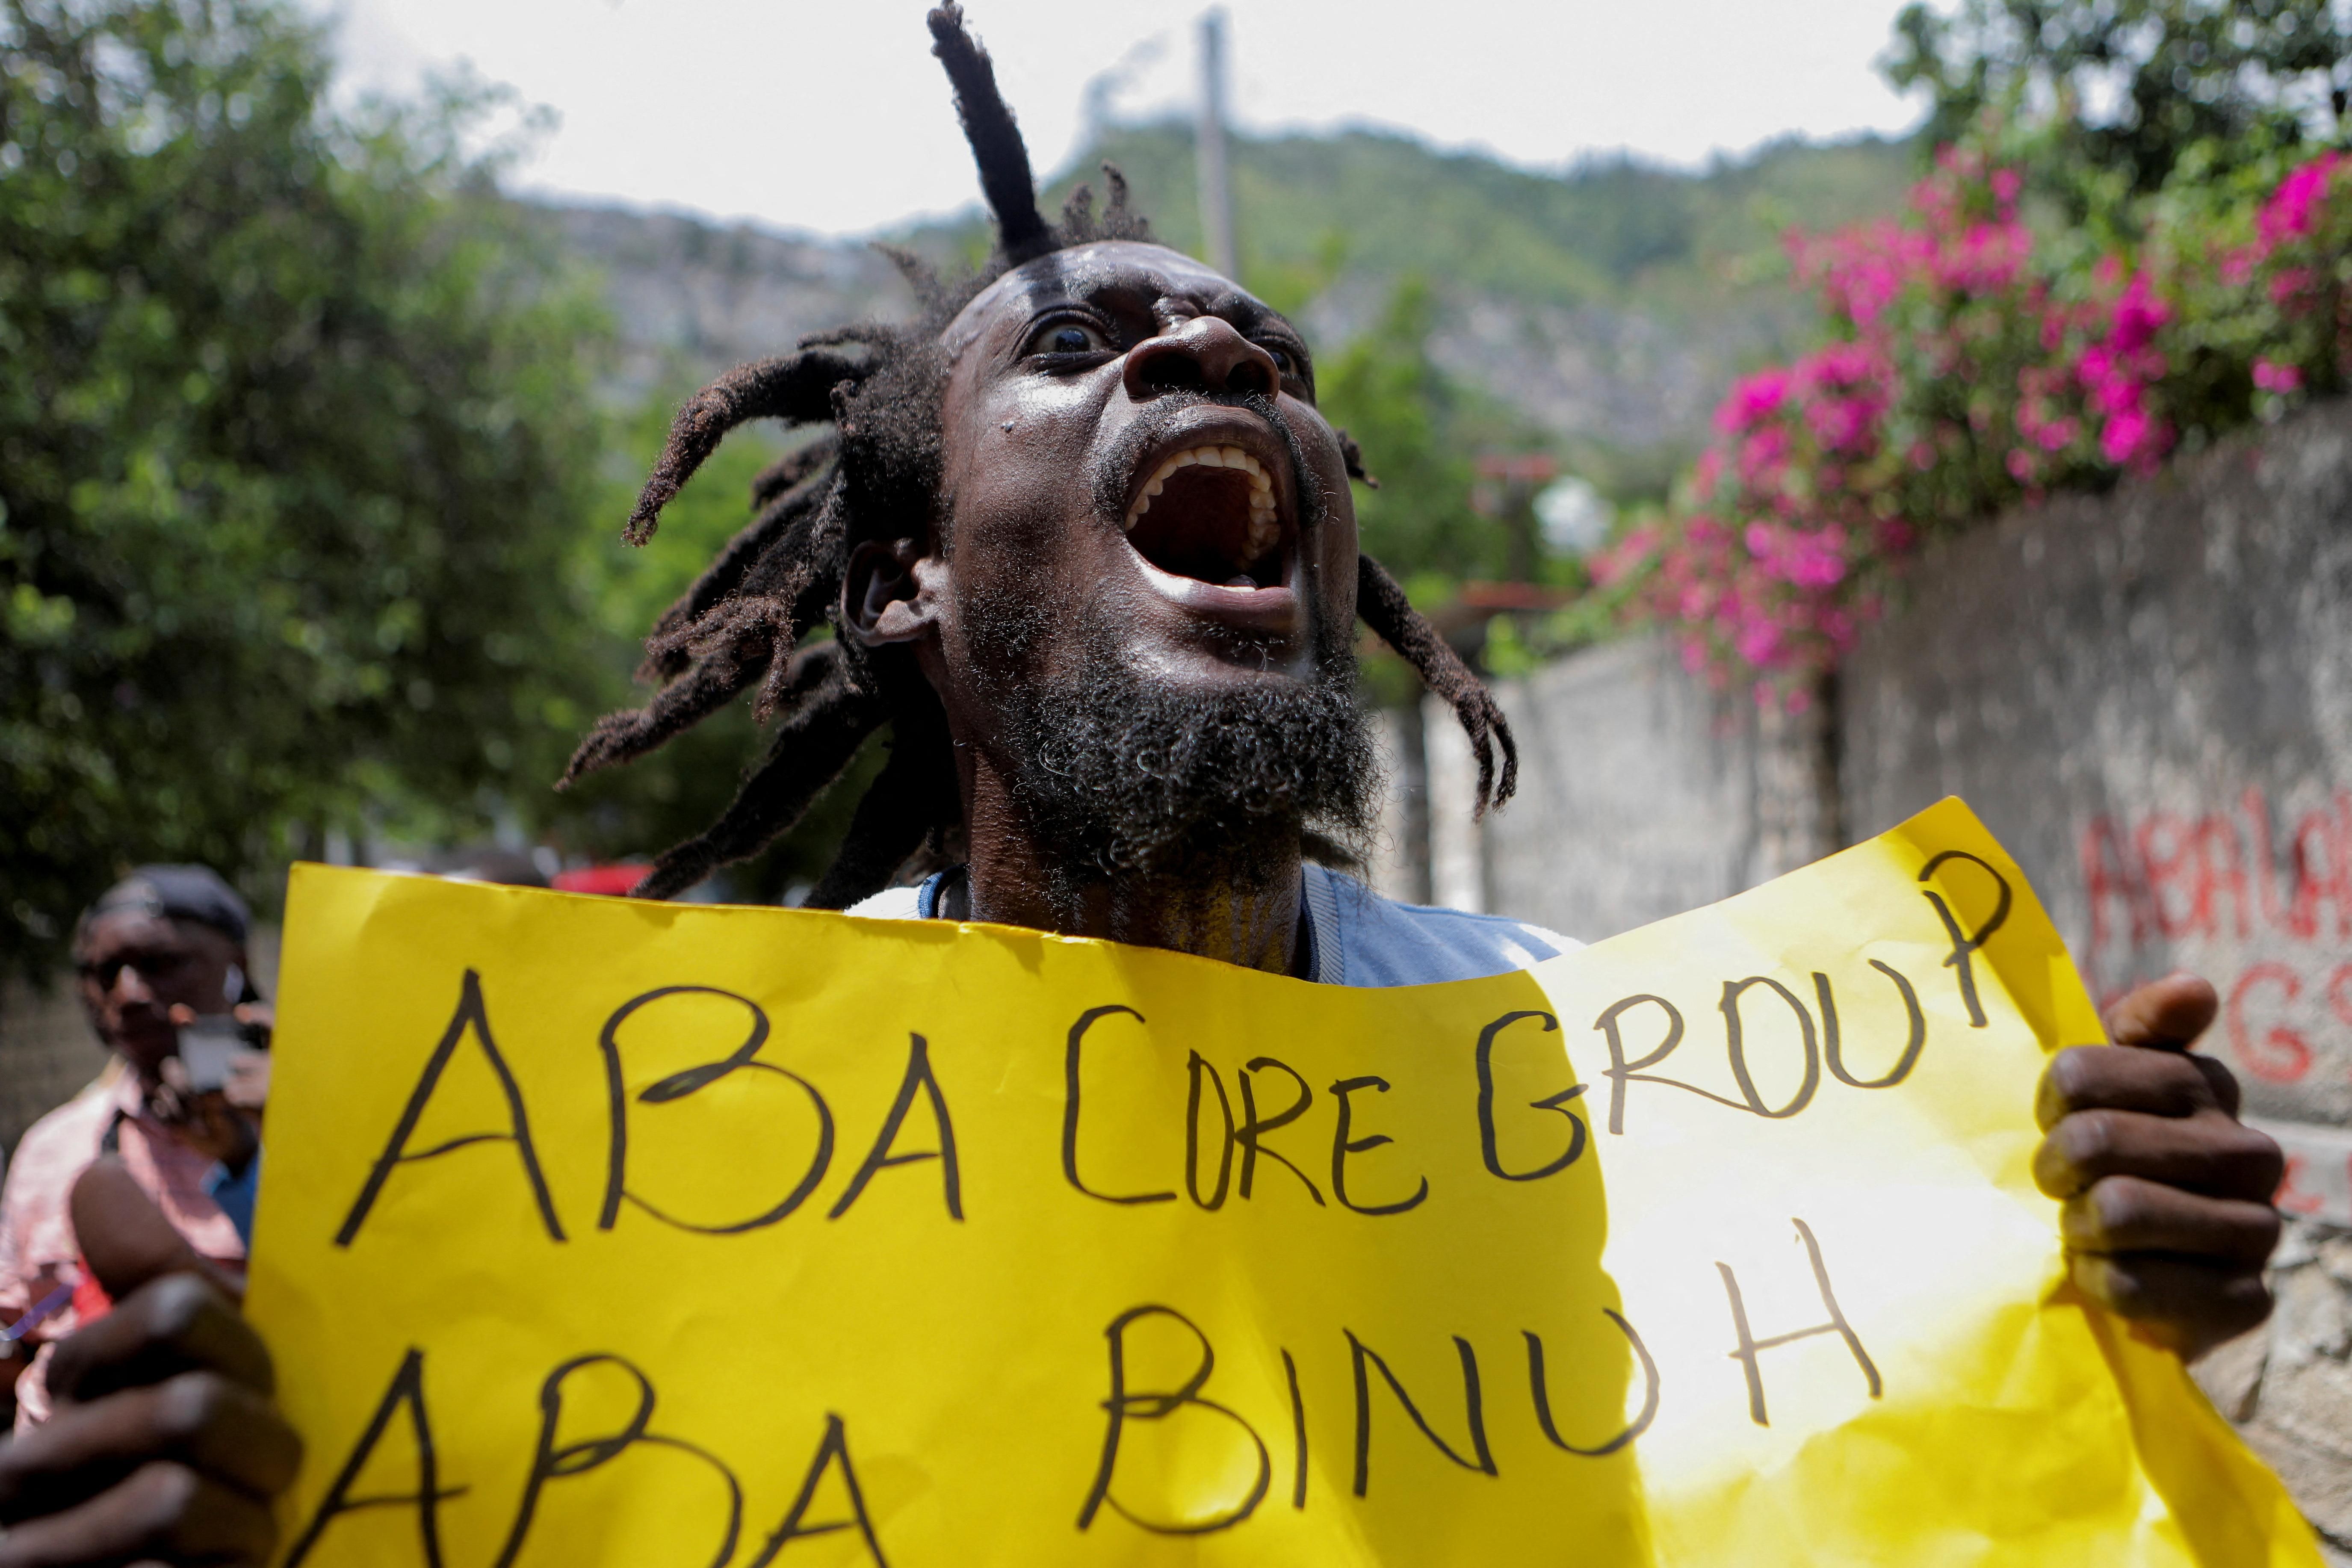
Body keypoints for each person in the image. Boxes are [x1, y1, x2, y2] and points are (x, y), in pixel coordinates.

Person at [0, 9, 2282, 1561]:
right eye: (1076, 352)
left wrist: (2075, 1294)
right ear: (902, 575)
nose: (1210, 354)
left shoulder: (1626, 1088)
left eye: (1263, 364)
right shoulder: (642, 1189)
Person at [0, 868, 269, 1431]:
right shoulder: (52, 1148)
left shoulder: (307, 1128)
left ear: (235, 969)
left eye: (162, 964)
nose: (128, 995)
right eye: (103, 974)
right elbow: (18, 1327)